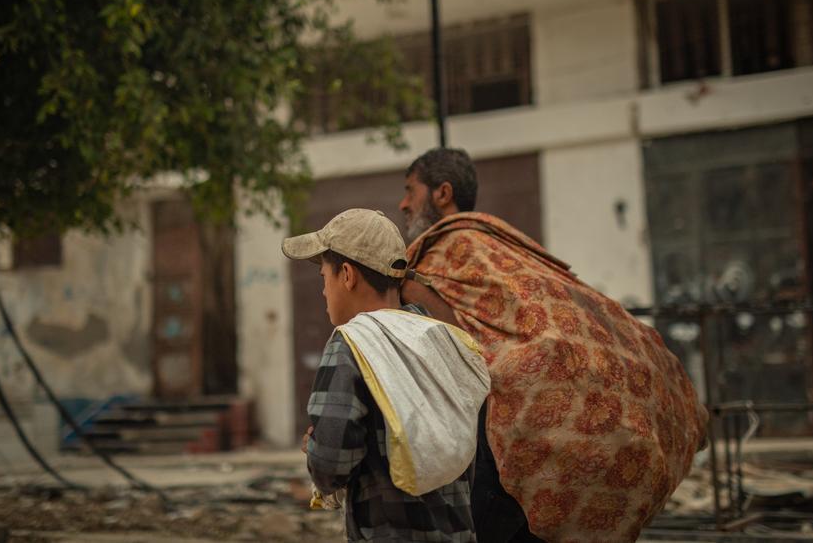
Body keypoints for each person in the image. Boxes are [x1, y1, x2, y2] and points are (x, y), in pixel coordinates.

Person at [399, 148, 709, 543]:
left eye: (411, 190)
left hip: (495, 450)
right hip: (514, 445)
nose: (403, 203)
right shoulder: (505, 248)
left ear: (442, 193)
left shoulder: (448, 251)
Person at [283, 207, 491, 542]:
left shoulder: (352, 343)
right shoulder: (441, 338)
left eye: (325, 278)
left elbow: (331, 466)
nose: (323, 292)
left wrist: (316, 448)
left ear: (347, 275)